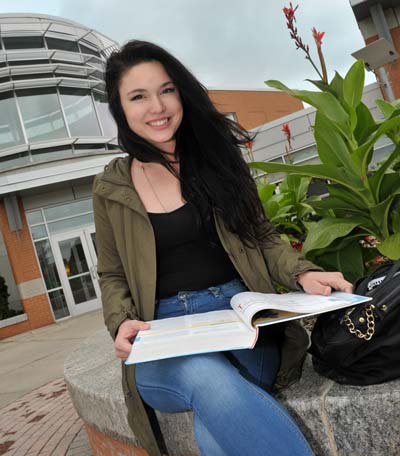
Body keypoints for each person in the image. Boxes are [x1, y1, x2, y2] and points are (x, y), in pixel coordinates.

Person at [93, 40, 353, 456]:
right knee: (207, 379)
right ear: (119, 108)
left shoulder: (218, 160)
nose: (156, 107)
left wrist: (302, 272)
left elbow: (262, 236)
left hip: (238, 318)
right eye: (138, 96)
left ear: (182, 92)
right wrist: (121, 321)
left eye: (166, 89)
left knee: (216, 428)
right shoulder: (110, 187)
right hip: (163, 334)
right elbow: (112, 274)